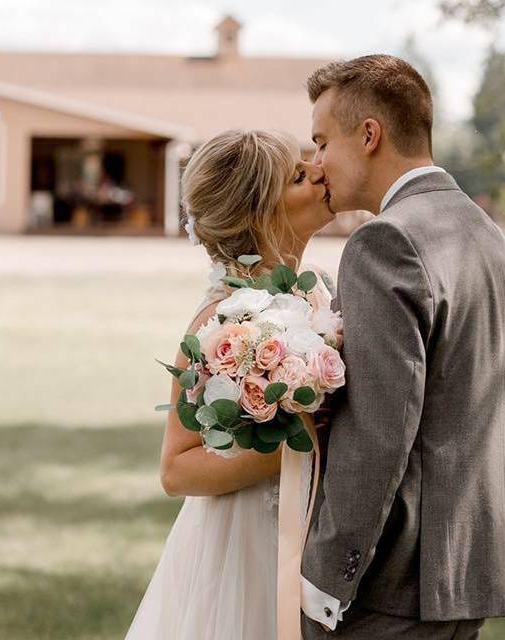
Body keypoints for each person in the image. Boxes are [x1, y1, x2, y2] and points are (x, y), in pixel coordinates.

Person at [299, 55, 505, 639]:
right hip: (473, 577)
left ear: (370, 134)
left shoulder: (385, 241)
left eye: (321, 140)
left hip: (388, 593)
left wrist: (326, 582)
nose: (315, 162)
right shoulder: (495, 239)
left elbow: (378, 435)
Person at [123, 129, 336, 640]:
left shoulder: (319, 292)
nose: (321, 173)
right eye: (298, 177)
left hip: (311, 533)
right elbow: (176, 469)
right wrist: (300, 442)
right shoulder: (222, 321)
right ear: (261, 215)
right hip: (247, 546)